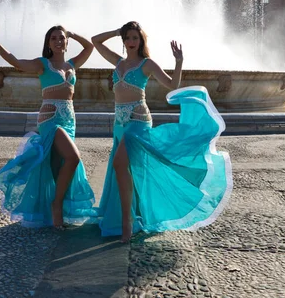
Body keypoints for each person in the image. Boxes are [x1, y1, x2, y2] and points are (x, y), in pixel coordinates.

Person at [91, 21, 232, 242]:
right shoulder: (117, 62)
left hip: (138, 123)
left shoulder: (146, 64)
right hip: (119, 124)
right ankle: (132, 215)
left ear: (141, 41)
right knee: (127, 171)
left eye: (134, 38)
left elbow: (172, 84)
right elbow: (95, 41)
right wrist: (116, 31)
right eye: (127, 38)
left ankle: (127, 222)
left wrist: (179, 62)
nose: (130, 42)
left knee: (120, 165)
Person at [0, 23, 95, 229]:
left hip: (69, 120)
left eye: (61, 38)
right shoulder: (42, 64)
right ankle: (56, 205)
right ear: (48, 43)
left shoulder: (72, 65)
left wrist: (72, 33)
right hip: (51, 119)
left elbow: (89, 47)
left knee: (57, 165)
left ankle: (54, 211)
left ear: (66, 42)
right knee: (73, 158)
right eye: (53, 38)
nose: (58, 41)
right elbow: (15, 61)